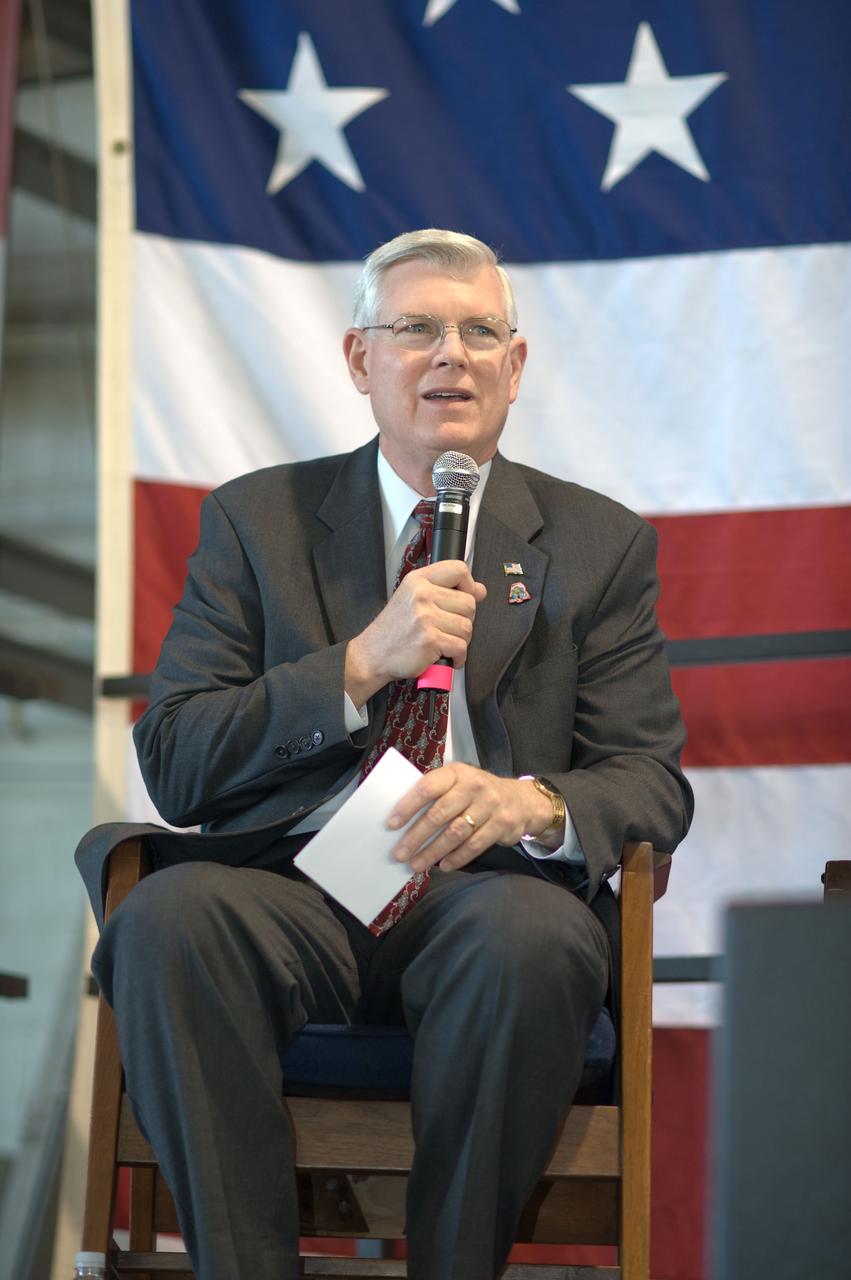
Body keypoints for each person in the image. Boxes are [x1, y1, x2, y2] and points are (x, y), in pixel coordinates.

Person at [79, 228, 693, 1280]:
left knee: (531, 937)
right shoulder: (255, 519)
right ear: (361, 359)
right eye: (415, 328)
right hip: (295, 892)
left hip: (479, 895)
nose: (449, 353)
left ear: (516, 364)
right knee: (166, 918)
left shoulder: (598, 545)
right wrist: (359, 662)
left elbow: (646, 778)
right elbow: (175, 756)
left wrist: (528, 804)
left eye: (477, 330)